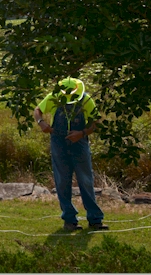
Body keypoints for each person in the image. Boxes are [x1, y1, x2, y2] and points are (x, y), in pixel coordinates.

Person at [34, 77, 109, 231]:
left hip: (79, 142)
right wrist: (41, 123)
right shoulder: (54, 97)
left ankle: (95, 219)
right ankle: (69, 219)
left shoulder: (86, 100)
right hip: (58, 141)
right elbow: (37, 110)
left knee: (86, 180)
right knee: (62, 181)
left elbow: (95, 121)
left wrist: (82, 133)